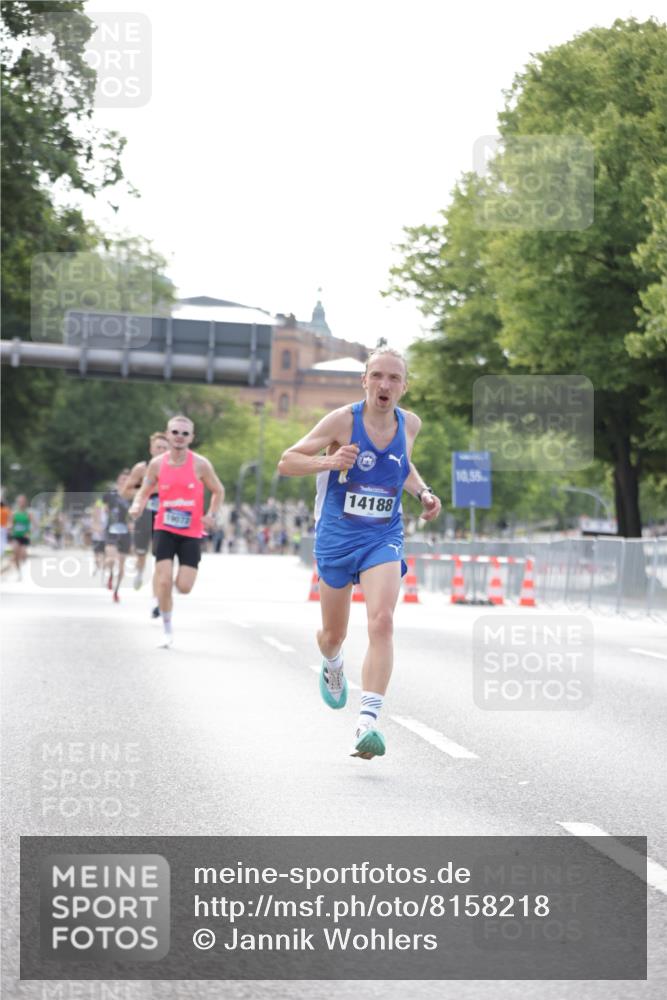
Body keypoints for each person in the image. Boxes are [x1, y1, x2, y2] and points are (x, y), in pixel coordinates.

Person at [278, 347, 441, 760]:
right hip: (336, 535)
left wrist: (422, 492)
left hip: (382, 535)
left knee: (382, 621)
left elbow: (401, 467)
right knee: (334, 634)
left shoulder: (411, 424)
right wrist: (329, 462)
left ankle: (366, 723)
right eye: (378, 376)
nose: (385, 385)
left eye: (394, 378)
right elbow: (287, 461)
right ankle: (331, 662)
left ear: (404, 387)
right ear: (364, 380)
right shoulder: (342, 421)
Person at [129, 415, 224, 647]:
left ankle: (166, 592)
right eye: (175, 432)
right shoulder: (157, 464)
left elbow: (218, 490)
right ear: (168, 434)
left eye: (184, 433)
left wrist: (211, 514)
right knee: (162, 581)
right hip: (164, 527)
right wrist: (137, 504)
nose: (179, 437)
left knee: (184, 586)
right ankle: (167, 630)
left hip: (191, 532)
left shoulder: (200, 464)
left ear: (191, 437)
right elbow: (145, 489)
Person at [121, 432, 170, 614]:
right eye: (158, 447)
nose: (161, 451)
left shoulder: (173, 468)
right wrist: (146, 490)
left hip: (164, 517)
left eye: (165, 448)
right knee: (141, 554)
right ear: (151, 449)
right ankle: (140, 572)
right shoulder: (141, 469)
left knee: (161, 561)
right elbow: (125, 492)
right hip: (144, 515)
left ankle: (156, 600)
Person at [103, 471, 132, 603]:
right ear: (118, 480)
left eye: (127, 479)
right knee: (110, 559)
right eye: (122, 479)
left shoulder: (132, 496)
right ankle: (109, 575)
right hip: (111, 529)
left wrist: (133, 523)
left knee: (121, 564)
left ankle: (116, 591)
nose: (124, 482)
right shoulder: (110, 495)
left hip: (125, 532)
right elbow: (103, 509)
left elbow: (137, 512)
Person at [9, 494, 34, 580]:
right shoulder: (14, 513)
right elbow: (11, 524)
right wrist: (10, 528)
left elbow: (34, 525)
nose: (21, 503)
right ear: (18, 503)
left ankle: (24, 565)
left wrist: (29, 532)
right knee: (15, 554)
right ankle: (19, 573)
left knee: (23, 554)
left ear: (25, 503)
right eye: (20, 502)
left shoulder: (28, 514)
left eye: (23, 502)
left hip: (25, 536)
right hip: (16, 535)